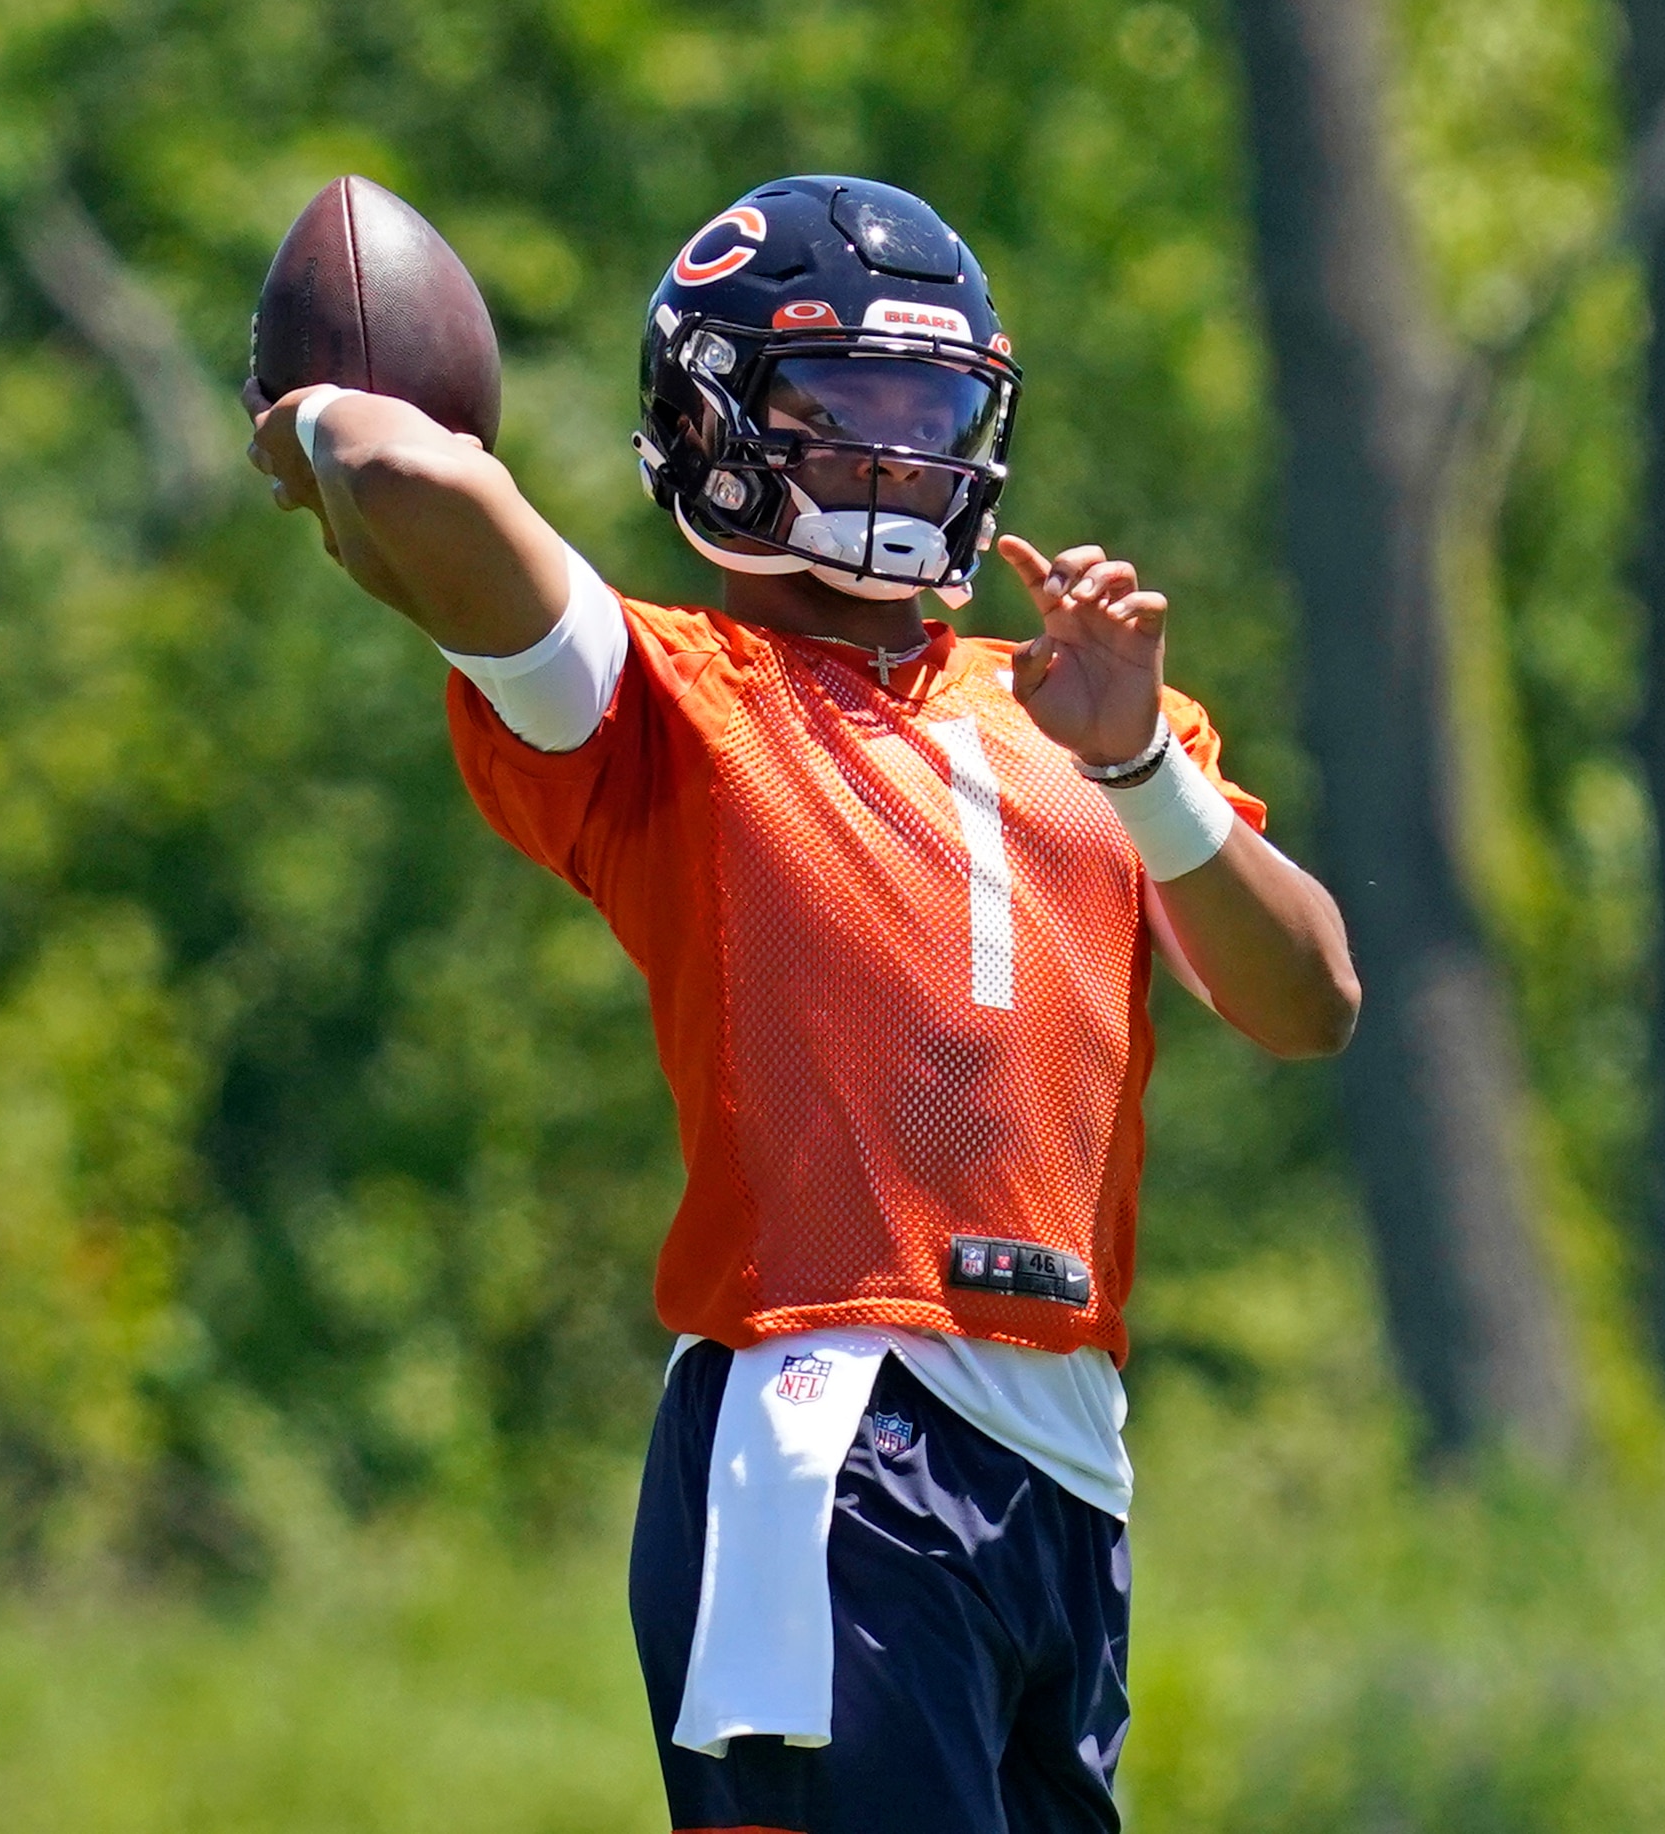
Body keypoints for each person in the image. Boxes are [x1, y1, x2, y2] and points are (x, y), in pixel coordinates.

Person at [244, 174, 1359, 1834]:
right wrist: (333, 409)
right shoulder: (670, 704)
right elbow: (409, 477)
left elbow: (1312, 998)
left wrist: (1135, 767)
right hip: (833, 1425)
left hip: (1067, 1459)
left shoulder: (1087, 709)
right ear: (714, 419)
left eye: (935, 412)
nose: (901, 459)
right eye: (844, 415)